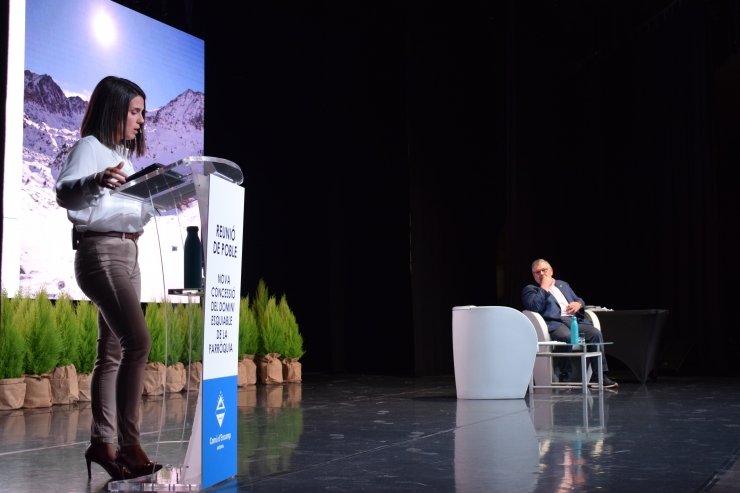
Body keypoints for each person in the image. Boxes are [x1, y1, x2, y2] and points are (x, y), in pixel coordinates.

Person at [56, 76, 163, 480]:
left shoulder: (127, 160)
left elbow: (129, 213)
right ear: (114, 109)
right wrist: (95, 180)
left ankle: (102, 443)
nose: (140, 121)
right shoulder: (89, 148)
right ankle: (130, 446)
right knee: (138, 342)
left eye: (142, 113)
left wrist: (160, 200)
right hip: (100, 252)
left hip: (128, 251)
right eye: (135, 111)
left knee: (112, 353)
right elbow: (65, 193)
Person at [522, 259, 617, 389]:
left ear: (551, 271)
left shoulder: (562, 285)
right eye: (538, 272)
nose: (542, 274)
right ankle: (564, 374)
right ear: (534, 275)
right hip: (554, 322)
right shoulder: (531, 289)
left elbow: (579, 299)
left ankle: (599, 375)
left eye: (544, 270)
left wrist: (578, 304)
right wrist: (543, 287)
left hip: (573, 320)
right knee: (567, 338)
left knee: (595, 334)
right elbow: (534, 307)